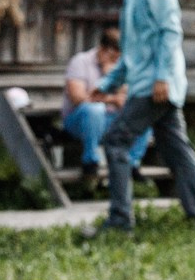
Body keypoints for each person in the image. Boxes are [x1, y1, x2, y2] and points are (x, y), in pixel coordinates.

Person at [96, 0, 195, 233]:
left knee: (116, 141)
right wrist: (108, 83)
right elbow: (131, 52)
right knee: (176, 151)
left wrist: (163, 76)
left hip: (155, 86)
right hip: (146, 83)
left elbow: (170, 36)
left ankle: (120, 220)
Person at [63, 27, 147, 179]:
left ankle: (132, 164)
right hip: (80, 119)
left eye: (119, 57)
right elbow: (77, 97)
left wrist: (112, 76)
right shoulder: (81, 61)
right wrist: (111, 99)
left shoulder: (121, 66)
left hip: (110, 120)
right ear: (102, 49)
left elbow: (128, 94)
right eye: (113, 56)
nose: (116, 60)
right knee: (95, 110)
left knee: (143, 116)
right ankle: (90, 162)